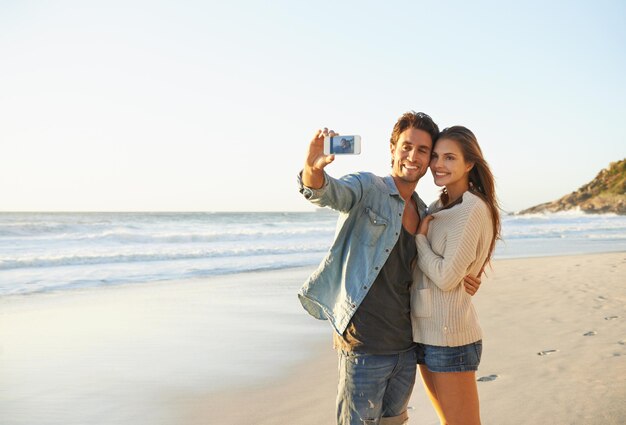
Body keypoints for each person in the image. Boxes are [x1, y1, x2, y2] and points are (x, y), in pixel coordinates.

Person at [297, 112, 481, 425]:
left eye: (423, 150)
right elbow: (329, 193)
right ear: (393, 149)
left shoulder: (425, 211)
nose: (414, 156)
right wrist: (312, 169)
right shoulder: (368, 188)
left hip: (407, 347)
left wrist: (467, 276)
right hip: (364, 346)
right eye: (407, 146)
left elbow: (432, 268)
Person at [411, 126, 501, 425]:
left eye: (450, 157)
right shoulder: (437, 207)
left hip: (451, 338)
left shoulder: (472, 208)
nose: (438, 164)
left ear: (469, 164)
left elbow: (448, 278)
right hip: (425, 333)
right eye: (435, 156)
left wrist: (420, 240)